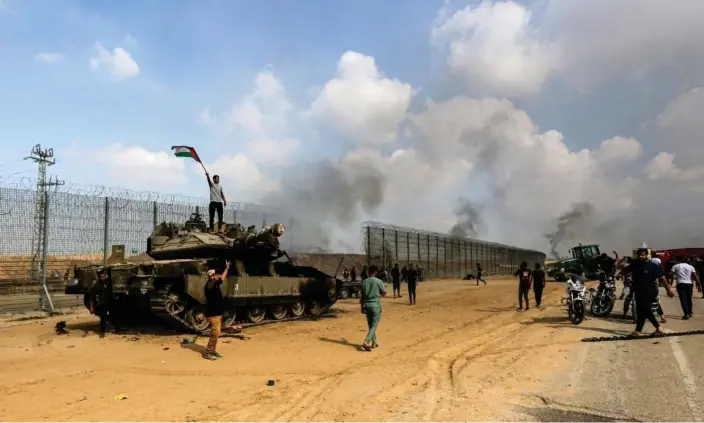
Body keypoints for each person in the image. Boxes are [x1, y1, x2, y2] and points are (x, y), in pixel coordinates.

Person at [621, 248, 675, 336]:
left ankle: (638, 331)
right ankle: (658, 328)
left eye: (643, 255)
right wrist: (624, 278)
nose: (641, 256)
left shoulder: (652, 266)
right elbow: (625, 270)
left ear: (647, 255)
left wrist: (668, 290)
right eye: (639, 255)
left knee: (643, 310)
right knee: (644, 310)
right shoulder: (635, 264)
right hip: (638, 290)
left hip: (650, 290)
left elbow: (662, 278)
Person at [203, 260, 231, 360]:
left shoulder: (214, 284)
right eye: (213, 275)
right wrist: (226, 268)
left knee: (217, 333)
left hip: (218, 314)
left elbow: (220, 279)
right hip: (213, 314)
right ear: (210, 277)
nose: (215, 276)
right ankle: (208, 352)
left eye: (214, 274)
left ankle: (213, 351)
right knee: (214, 333)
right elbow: (222, 278)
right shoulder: (210, 285)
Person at [88, 269, 121, 338]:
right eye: (101, 277)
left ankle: (118, 328)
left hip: (110, 302)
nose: (103, 278)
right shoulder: (96, 285)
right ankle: (102, 332)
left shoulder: (108, 282)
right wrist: (91, 307)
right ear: (99, 277)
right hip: (102, 303)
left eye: (104, 276)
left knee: (113, 315)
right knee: (103, 317)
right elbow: (92, 297)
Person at [360, 265, 386, 351]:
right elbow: (384, 293)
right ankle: (366, 341)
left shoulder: (364, 282)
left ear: (368, 272)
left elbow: (362, 297)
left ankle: (374, 342)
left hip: (367, 306)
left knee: (370, 325)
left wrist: (362, 307)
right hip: (375, 306)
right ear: (375, 272)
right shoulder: (379, 281)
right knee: (374, 325)